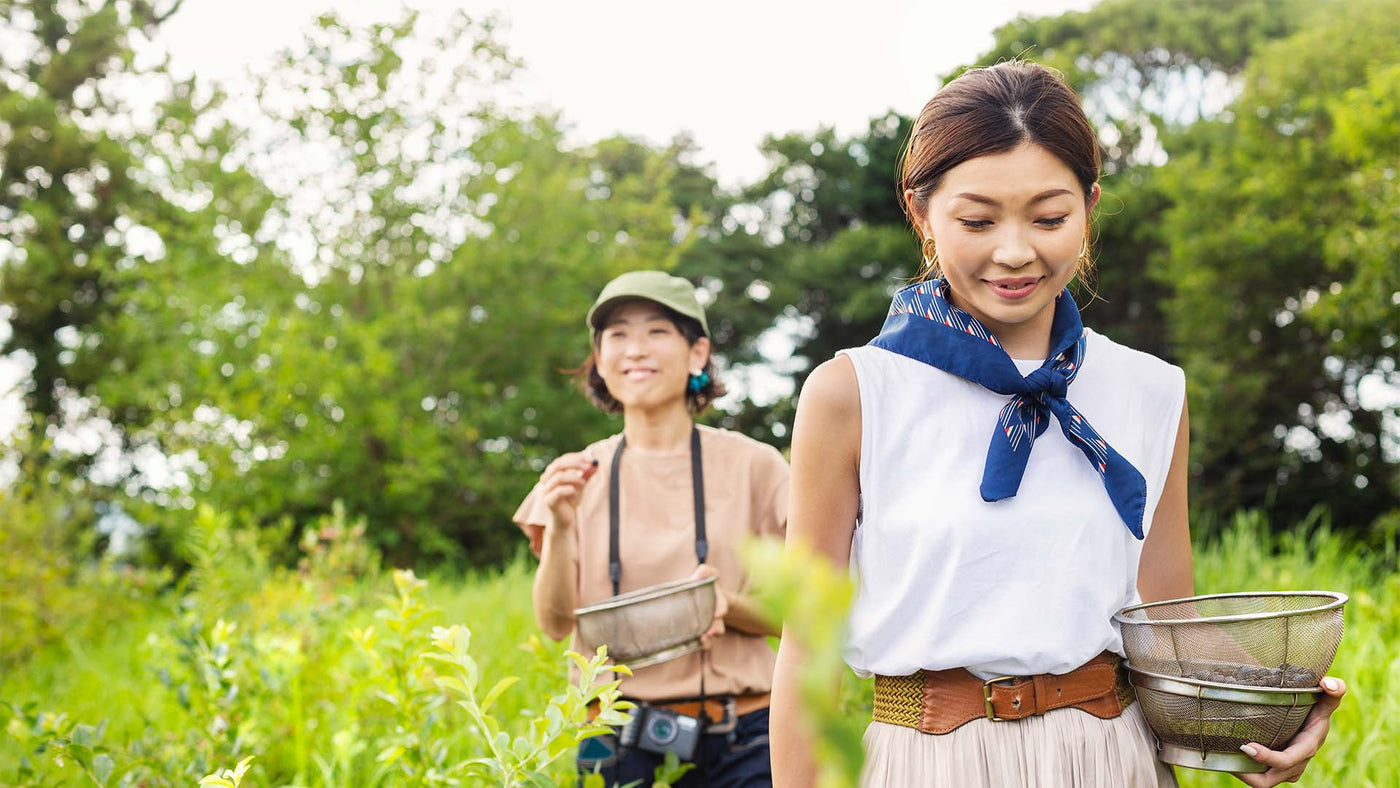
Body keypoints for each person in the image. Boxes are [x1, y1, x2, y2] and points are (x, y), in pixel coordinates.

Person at [769, 61, 1346, 788]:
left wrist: (1272, 718)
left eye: (1048, 218)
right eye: (977, 221)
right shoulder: (854, 392)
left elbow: (1165, 625)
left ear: (1090, 206)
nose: (1016, 252)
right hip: (929, 762)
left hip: (1112, 758)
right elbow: (807, 647)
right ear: (921, 214)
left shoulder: (1151, 389)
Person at [513, 270, 789, 788]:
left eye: (657, 331)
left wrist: (727, 604)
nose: (635, 349)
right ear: (599, 359)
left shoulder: (757, 466)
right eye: (617, 334)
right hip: (612, 735)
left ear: (697, 352)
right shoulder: (573, 476)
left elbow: (799, 613)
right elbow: (553, 624)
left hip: (746, 735)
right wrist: (563, 526)